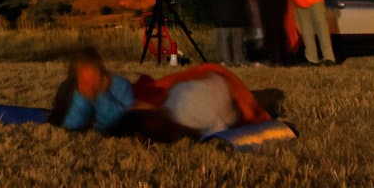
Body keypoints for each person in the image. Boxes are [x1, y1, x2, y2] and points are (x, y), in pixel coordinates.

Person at [49, 45, 271, 141]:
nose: (90, 80)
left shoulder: (118, 86)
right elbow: (73, 124)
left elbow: (124, 111)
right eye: (84, 77)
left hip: (166, 106)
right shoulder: (82, 97)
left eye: (93, 73)